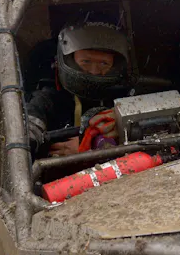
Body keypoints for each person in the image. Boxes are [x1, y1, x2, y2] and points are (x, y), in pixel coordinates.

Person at [26, 17, 130, 157]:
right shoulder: (48, 100)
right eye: (86, 61)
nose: (94, 71)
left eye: (104, 63)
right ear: (69, 59)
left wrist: (91, 146)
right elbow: (25, 135)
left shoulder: (126, 99)